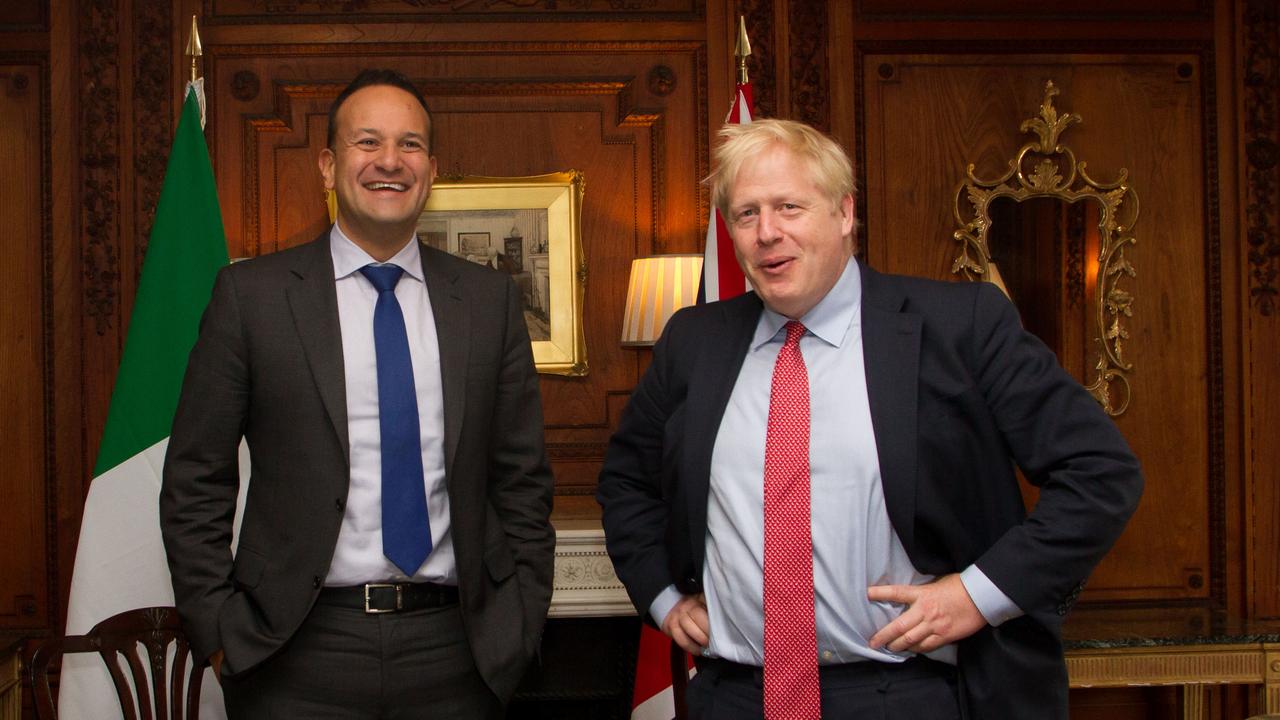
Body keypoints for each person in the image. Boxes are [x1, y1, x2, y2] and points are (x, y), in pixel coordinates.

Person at [596, 118, 1142, 720]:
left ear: (845, 212)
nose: (767, 233)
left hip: (907, 693)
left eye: (789, 207)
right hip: (733, 697)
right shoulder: (694, 343)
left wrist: (978, 595)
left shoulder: (961, 327)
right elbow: (627, 482)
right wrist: (664, 597)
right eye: (746, 214)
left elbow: (1100, 474)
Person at [160, 68, 555, 719]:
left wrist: (519, 622)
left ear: (430, 168)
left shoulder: (486, 304)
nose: (389, 162)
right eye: (367, 142)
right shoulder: (252, 298)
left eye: (410, 145)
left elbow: (521, 478)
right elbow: (195, 476)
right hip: (294, 654)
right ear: (328, 164)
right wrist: (221, 634)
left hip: (455, 655)